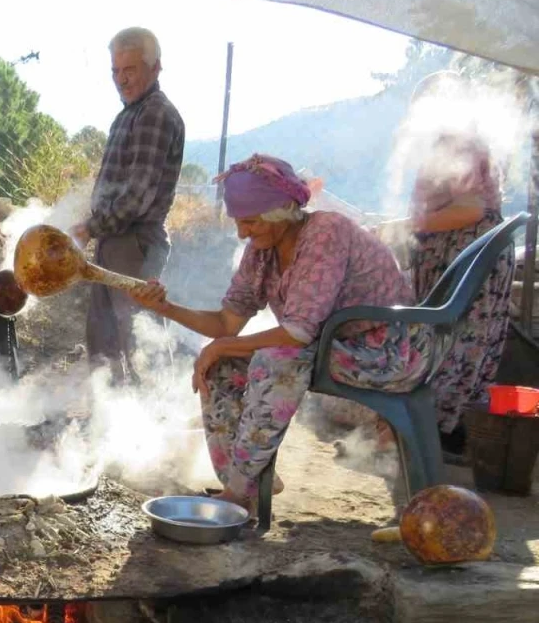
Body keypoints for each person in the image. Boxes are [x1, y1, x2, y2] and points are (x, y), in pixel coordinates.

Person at [128, 154, 433, 511]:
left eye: (251, 222)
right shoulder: (261, 251)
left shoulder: (326, 233)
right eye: (239, 223)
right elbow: (227, 324)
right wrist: (166, 307)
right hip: (335, 346)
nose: (243, 232)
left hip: (391, 349)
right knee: (221, 364)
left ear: (282, 211)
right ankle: (247, 485)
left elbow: (298, 333)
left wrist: (225, 344)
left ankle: (238, 492)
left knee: (276, 359)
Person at [380, 72, 513, 461]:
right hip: (454, 258)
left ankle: (426, 437)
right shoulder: (451, 140)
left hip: (466, 260)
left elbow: (470, 208)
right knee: (439, 345)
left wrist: (407, 226)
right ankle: (425, 436)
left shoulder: (464, 142)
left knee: (449, 348)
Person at [71, 27, 185, 382]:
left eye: (130, 70)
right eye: (116, 72)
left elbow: (137, 197)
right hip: (116, 241)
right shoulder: (129, 114)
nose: (122, 80)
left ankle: (156, 420)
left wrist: (90, 228)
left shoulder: (154, 114)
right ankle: (113, 420)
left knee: (139, 342)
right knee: (104, 340)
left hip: (135, 244)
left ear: (155, 68)